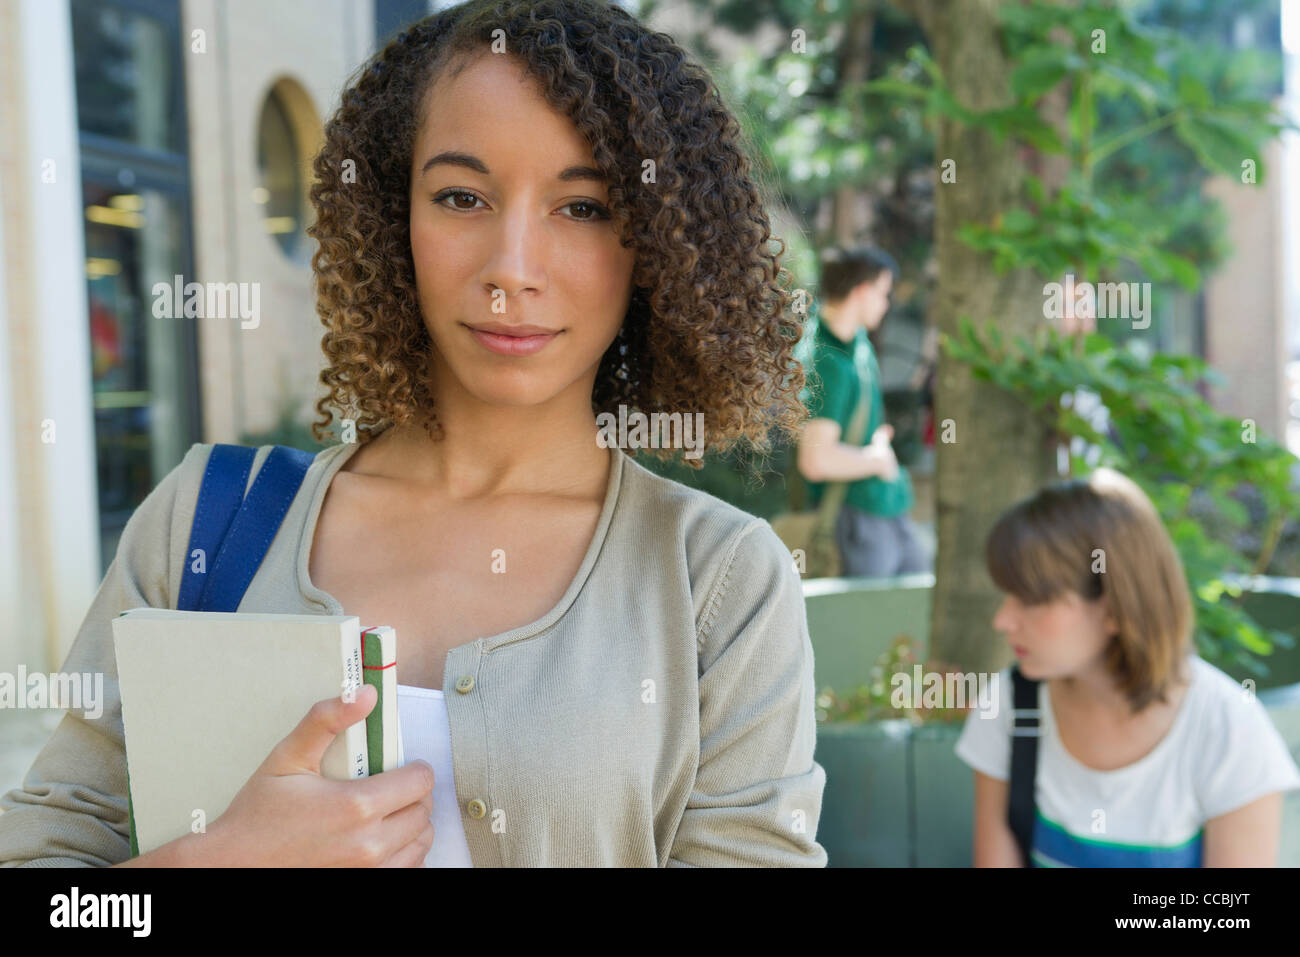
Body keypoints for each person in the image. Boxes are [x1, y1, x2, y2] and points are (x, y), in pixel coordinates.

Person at [0, 0, 826, 867]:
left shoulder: (718, 582)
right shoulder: (207, 524)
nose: (511, 267)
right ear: (395, 218)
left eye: (581, 207)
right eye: (461, 196)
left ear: (655, 244)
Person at [956, 468, 1300, 867]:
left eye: (1031, 600)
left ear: (1115, 608)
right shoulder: (1010, 704)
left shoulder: (1228, 729)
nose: (1003, 621)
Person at [796, 246, 929, 577]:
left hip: (884, 510)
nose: (886, 304)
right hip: (856, 521)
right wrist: (876, 460)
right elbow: (816, 461)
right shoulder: (826, 361)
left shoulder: (857, 342)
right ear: (862, 291)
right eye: (884, 293)